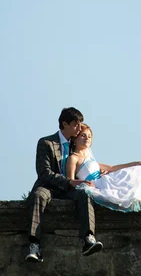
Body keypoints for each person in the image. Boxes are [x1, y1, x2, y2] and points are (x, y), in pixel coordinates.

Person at [26, 108, 103, 263]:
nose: (79, 127)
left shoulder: (77, 144)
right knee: (38, 195)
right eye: (76, 124)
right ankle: (34, 245)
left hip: (70, 189)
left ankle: (88, 238)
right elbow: (44, 173)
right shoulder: (46, 143)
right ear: (64, 124)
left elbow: (89, 165)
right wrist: (69, 181)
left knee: (85, 193)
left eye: (81, 124)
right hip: (49, 186)